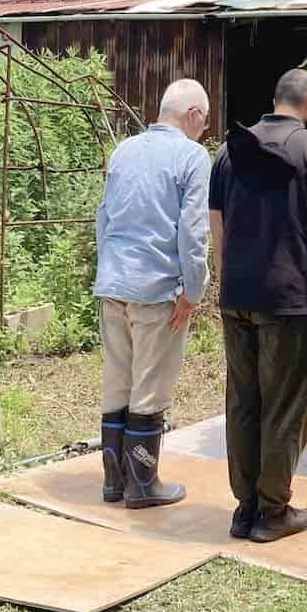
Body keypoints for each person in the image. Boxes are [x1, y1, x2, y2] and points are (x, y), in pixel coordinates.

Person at [209, 68, 307, 543]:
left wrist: (230, 284)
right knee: (287, 406)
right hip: (291, 302)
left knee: (244, 403)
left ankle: (244, 507)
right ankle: (272, 511)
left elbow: (218, 225)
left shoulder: (228, 152)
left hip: (237, 298)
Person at [94, 78, 212, 509]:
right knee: (149, 388)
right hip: (157, 288)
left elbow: (102, 218)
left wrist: (108, 270)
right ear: (194, 115)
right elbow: (194, 233)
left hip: (113, 283)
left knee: (117, 380)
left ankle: (114, 482)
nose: (204, 131)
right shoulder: (192, 156)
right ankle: (143, 485)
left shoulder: (124, 150)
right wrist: (193, 291)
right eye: (204, 122)